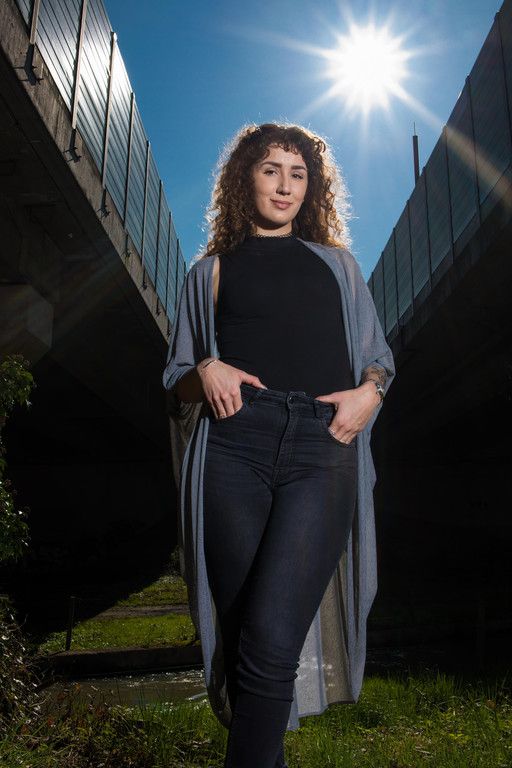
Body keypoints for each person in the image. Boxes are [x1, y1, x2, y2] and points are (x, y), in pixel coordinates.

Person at [163, 122, 395, 768]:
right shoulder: (209, 273)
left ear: (311, 187)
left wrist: (370, 393)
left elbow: (378, 361)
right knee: (246, 640)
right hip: (234, 448)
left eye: (298, 173)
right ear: (246, 179)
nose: (285, 185)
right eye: (271, 170)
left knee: (271, 636)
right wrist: (204, 368)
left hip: (322, 448)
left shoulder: (339, 267)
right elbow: (176, 382)